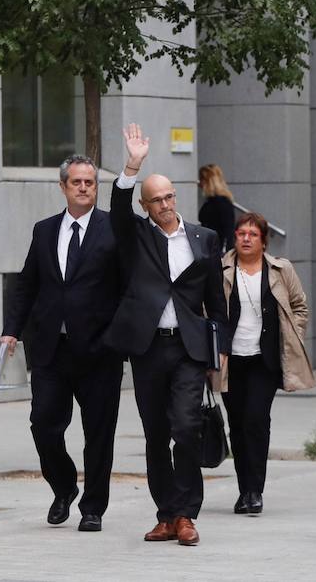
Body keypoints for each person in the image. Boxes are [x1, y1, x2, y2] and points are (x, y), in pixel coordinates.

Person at [104, 124, 230, 547]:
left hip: (189, 348)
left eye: (169, 196)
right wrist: (131, 166)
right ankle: (166, 515)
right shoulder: (137, 236)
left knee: (186, 426)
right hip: (148, 348)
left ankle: (186, 514)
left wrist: (221, 349)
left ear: (177, 197)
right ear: (146, 204)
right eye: (155, 200)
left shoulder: (204, 238)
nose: (164, 204)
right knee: (156, 432)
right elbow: (118, 211)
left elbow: (217, 298)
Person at [0, 154, 124, 533]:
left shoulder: (114, 229)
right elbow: (27, 284)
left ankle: (93, 508)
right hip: (51, 348)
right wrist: (12, 329)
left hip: (99, 351)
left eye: (90, 182)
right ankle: (65, 486)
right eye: (77, 182)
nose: (84, 187)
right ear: (63, 186)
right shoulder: (44, 230)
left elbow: (127, 287)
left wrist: (118, 336)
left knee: (99, 433)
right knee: (43, 425)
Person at [221, 212, 315, 516]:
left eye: (253, 234)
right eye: (241, 233)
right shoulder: (221, 267)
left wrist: (292, 334)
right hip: (230, 360)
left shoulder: (280, 269)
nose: (246, 239)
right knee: (236, 424)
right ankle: (242, 489)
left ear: (264, 241)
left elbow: (300, 306)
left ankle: (255, 490)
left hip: (264, 359)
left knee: (256, 420)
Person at [198, 163, 236, 253]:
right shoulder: (214, 202)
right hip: (211, 249)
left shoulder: (221, 203)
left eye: (201, 180)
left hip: (217, 251)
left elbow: (229, 231)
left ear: (207, 182)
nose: (199, 184)